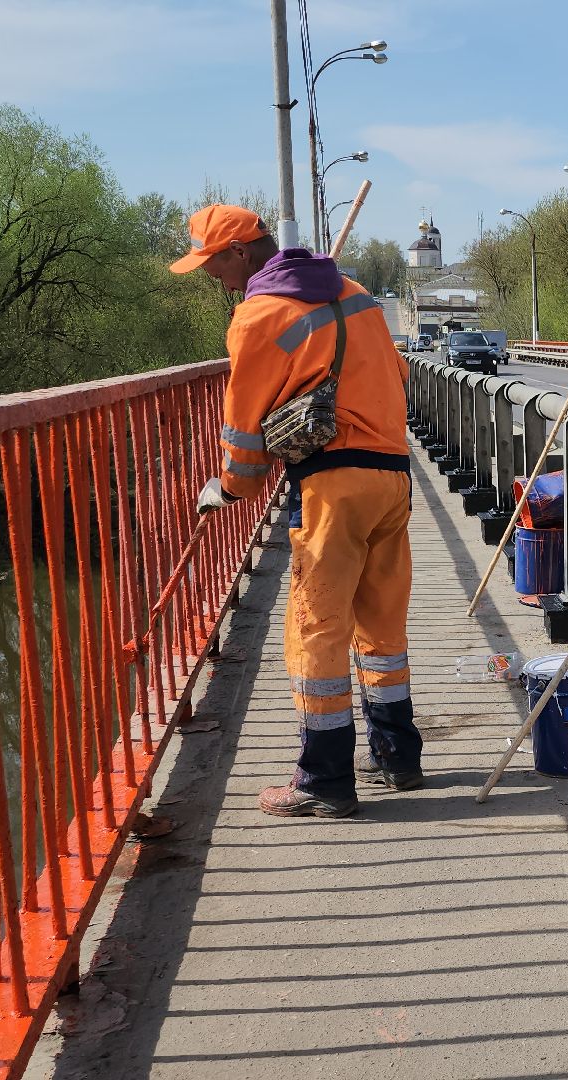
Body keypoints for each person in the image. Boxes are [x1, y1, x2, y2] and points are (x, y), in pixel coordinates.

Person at [172, 204, 424, 818]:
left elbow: (245, 424)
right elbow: (397, 375)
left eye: (212, 264)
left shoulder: (257, 317)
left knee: (316, 629)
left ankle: (324, 779)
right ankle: (398, 758)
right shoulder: (355, 291)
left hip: (332, 485)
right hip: (391, 476)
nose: (214, 278)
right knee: (382, 627)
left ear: (240, 252)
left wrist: (230, 489)